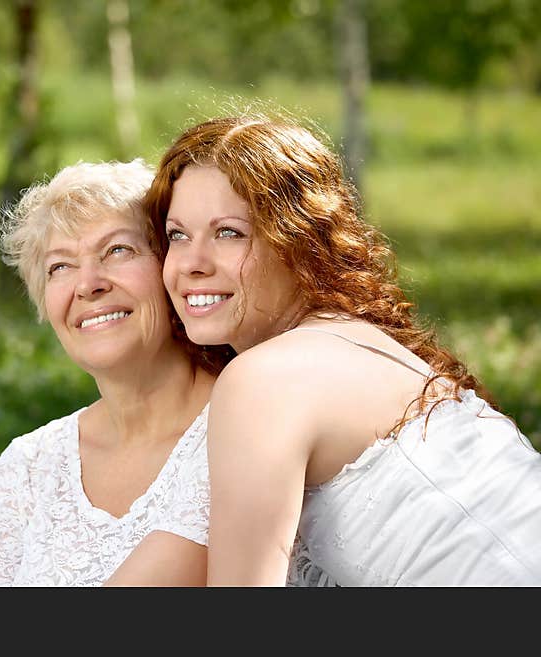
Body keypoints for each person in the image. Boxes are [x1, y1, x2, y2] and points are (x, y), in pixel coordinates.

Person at [145, 114, 541, 586]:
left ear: (298, 242)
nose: (191, 263)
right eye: (177, 235)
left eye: (229, 233)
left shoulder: (264, 380)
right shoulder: (361, 340)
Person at [0, 159, 234, 586]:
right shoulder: (28, 467)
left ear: (170, 269)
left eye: (117, 250)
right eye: (59, 267)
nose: (88, 284)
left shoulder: (240, 424)